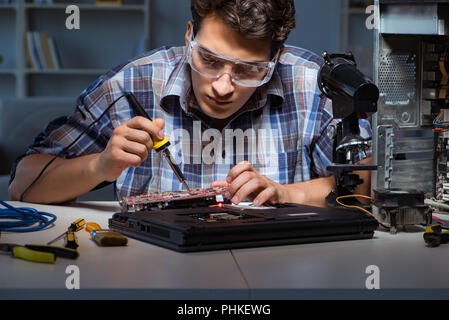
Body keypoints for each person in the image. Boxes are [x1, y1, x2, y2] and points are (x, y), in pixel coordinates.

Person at [9, 0, 371, 206]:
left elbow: (366, 187)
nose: (223, 87)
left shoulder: (313, 84)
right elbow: (23, 184)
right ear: (188, 37)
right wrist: (100, 166)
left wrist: (283, 193)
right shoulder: (131, 84)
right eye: (209, 61)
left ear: (275, 60)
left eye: (248, 70)